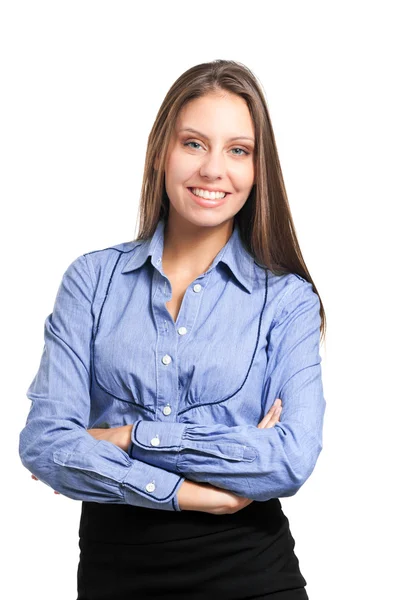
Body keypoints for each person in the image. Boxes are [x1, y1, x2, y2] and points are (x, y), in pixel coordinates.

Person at [19, 59, 327, 599]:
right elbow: (46, 445)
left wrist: (124, 438)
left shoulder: (286, 299)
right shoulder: (92, 282)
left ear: (257, 170)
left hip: (253, 579)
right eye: (193, 143)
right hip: (115, 579)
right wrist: (194, 492)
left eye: (238, 150)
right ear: (162, 150)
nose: (213, 169)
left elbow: (289, 458)